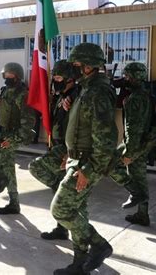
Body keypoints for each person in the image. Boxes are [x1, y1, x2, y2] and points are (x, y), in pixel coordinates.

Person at [51, 43, 117, 274]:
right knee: (77, 213)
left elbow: (106, 139)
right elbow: (81, 127)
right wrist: (70, 156)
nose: (74, 69)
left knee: (60, 210)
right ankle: (79, 263)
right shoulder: (86, 89)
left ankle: (99, 246)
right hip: (77, 160)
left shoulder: (98, 92)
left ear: (89, 66)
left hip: (87, 164)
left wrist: (88, 170)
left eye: (77, 65)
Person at [29, 60, 79, 239]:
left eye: (58, 77)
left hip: (67, 149)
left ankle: (79, 232)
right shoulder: (59, 95)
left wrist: (70, 152)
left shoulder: (77, 96)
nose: (55, 81)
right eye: (54, 77)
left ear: (70, 79)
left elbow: (80, 127)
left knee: (36, 167)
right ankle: (61, 228)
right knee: (58, 191)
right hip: (56, 144)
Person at [0, 62, 35, 214]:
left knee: (5, 162)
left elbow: (29, 122)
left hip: (15, 134)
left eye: (9, 74)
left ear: (17, 76)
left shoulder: (22, 93)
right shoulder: (5, 90)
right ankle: (3, 182)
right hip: (4, 132)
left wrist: (13, 139)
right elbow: (5, 111)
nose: (6, 77)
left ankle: (11, 198)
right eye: (5, 74)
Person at [109, 62, 153, 227]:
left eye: (127, 76)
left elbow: (133, 128)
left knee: (111, 163)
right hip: (143, 143)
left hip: (135, 143)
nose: (124, 79)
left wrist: (129, 153)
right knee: (140, 179)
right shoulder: (143, 93)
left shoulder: (135, 98)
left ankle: (135, 195)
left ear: (135, 78)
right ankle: (142, 214)